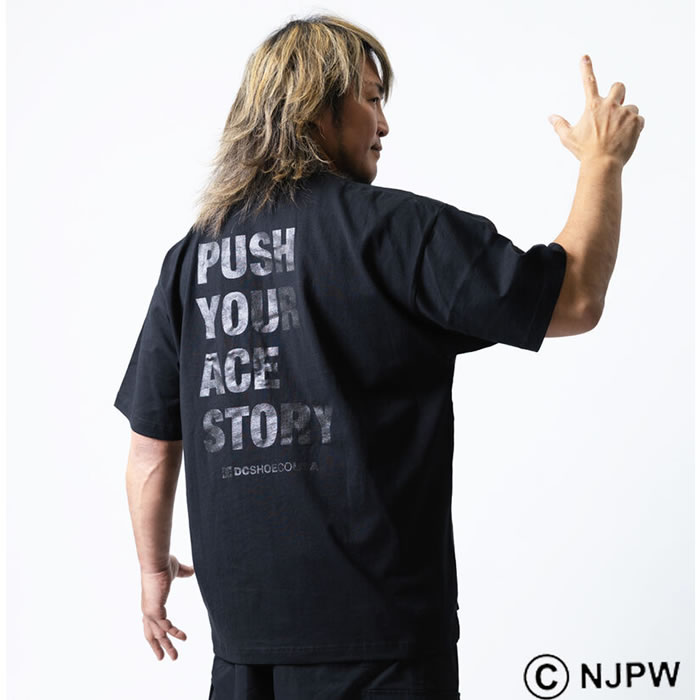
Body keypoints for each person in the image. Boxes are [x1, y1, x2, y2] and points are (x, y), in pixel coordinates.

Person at [114, 13, 644, 700]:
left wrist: (152, 571)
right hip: (383, 654)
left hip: (244, 654)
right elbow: (573, 299)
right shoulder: (396, 231)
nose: (384, 124)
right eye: (370, 98)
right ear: (318, 107)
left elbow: (152, 449)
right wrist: (602, 163)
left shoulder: (192, 260)